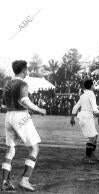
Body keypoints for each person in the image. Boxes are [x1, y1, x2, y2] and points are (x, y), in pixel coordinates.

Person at [1, 60, 46, 192]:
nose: (28, 71)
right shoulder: (22, 84)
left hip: (8, 116)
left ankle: (5, 182)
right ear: (24, 70)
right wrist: (39, 109)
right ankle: (25, 180)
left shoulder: (7, 84)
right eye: (27, 69)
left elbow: (3, 104)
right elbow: (24, 100)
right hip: (21, 117)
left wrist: (22, 108)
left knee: (10, 150)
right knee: (34, 149)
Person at [70, 79, 99, 164]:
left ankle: (92, 156)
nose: (94, 86)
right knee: (92, 138)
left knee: (95, 136)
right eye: (93, 84)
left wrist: (72, 118)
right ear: (91, 86)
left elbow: (76, 107)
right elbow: (94, 107)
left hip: (83, 117)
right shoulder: (91, 94)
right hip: (87, 117)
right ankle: (87, 158)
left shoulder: (83, 95)